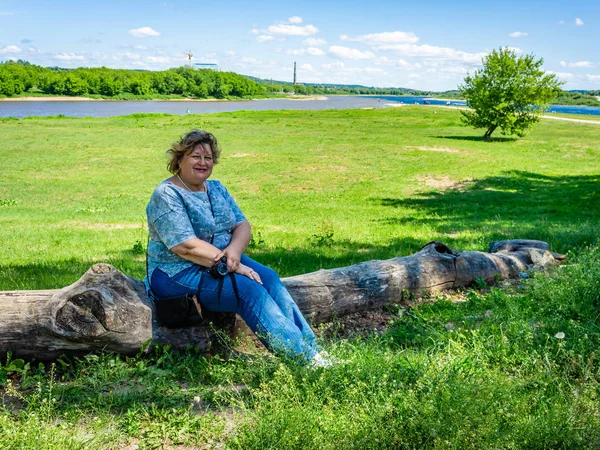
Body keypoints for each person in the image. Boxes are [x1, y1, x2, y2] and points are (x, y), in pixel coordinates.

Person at [145, 129, 329, 365]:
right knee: (248, 291)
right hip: (178, 271)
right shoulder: (167, 194)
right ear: (179, 159)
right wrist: (234, 265)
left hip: (223, 259)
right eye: (195, 156)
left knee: (269, 278)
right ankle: (305, 360)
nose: (203, 162)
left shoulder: (217, 188)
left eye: (208, 157)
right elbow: (186, 247)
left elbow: (242, 225)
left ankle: (313, 350)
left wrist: (233, 252)